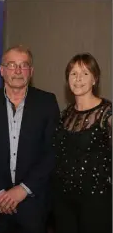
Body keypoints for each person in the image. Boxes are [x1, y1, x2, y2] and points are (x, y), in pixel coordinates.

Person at [0, 45, 60, 233]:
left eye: (24, 65)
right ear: (1, 70)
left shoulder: (47, 102)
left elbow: (52, 152)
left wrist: (22, 190)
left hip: (33, 204)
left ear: (32, 71)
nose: (18, 71)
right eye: (12, 65)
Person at [52, 53, 112, 233]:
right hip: (63, 203)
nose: (78, 79)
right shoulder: (64, 115)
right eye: (73, 74)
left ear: (95, 79)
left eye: (85, 73)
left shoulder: (107, 114)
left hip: (96, 204)